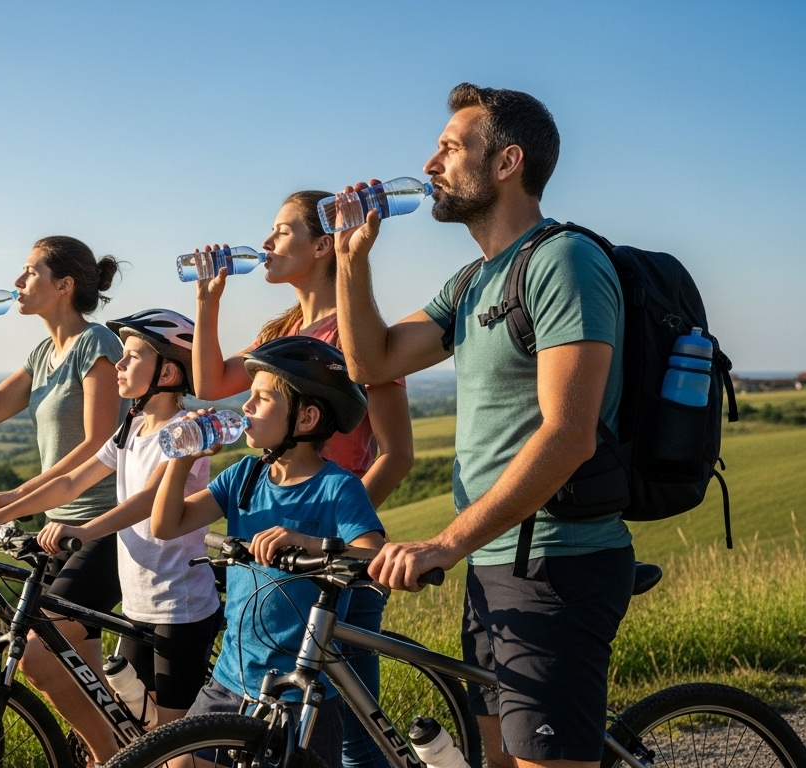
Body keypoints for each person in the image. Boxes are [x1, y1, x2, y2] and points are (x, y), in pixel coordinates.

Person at [333, 83, 633, 768]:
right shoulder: (472, 281)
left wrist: (444, 543)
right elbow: (370, 360)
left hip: (559, 561)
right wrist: (352, 262)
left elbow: (568, 434)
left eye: (449, 147)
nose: (431, 163)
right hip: (495, 560)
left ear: (507, 162)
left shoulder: (564, 262)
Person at [191, 192, 414, 767]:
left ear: (322, 245)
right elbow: (211, 382)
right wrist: (206, 300)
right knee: (295, 724)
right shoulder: (285, 331)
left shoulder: (354, 332)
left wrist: (335, 531)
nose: (265, 244)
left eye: (282, 231)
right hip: (281, 561)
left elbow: (397, 453)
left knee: (352, 733)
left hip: (332, 556)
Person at [0, 309, 221, 766]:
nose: (119, 365)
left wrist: (85, 530)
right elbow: (69, 483)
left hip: (180, 608)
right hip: (140, 605)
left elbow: (148, 500)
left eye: (130, 357)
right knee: (146, 743)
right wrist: (2, 513)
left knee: (175, 755)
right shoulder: (131, 428)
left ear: (166, 371)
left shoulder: (183, 434)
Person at [151, 336, 387, 766]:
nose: (245, 408)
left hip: (301, 692)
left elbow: (372, 557)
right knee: (178, 762)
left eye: (261, 399)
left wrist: (312, 542)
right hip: (230, 677)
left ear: (307, 417)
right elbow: (166, 524)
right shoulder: (246, 475)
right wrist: (181, 459)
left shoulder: (338, 487)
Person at [0, 235, 128, 760]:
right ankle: (121, 747)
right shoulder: (42, 353)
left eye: (30, 273)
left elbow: (98, 444)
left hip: (104, 528)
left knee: (38, 658)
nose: (18, 283)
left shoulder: (99, 346)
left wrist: (11, 502)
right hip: (59, 531)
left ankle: (113, 758)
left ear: (64, 285)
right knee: (83, 674)